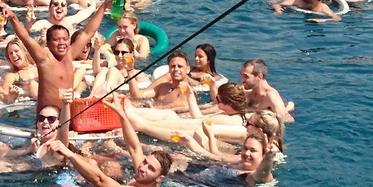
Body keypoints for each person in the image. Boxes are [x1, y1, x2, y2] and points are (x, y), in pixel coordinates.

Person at [3, 0, 113, 116]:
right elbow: (25, 38)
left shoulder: (70, 54)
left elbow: (87, 32)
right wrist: (13, 18)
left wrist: (104, 6)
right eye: (56, 40)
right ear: (48, 43)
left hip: (67, 114)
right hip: (47, 119)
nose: (62, 43)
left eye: (65, 39)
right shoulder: (44, 58)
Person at [40, 99, 171, 187]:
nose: (143, 168)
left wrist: (69, 153)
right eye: (145, 162)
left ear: (160, 178)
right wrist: (122, 114)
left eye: (151, 169)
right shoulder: (144, 176)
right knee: (93, 162)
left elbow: (99, 180)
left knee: (91, 166)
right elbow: (135, 148)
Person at [121, 82, 249, 143]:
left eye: (218, 99)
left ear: (227, 104)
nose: (216, 101)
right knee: (170, 115)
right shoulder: (237, 116)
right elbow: (198, 118)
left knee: (169, 115)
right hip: (193, 131)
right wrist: (190, 96)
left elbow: (192, 122)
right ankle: (130, 112)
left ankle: (129, 114)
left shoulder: (226, 119)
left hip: (187, 134)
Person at [129, 50, 198, 114]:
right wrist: (130, 71)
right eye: (173, 66)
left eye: (180, 66)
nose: (176, 69)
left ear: (188, 69)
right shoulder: (163, 87)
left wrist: (149, 107)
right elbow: (137, 96)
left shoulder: (188, 92)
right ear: (169, 69)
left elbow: (172, 107)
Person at [240, 59, 293, 124]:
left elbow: (287, 120)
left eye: (246, 76)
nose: (242, 80)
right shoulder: (245, 90)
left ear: (260, 76)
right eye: (241, 75)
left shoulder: (270, 96)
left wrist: (254, 117)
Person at [30, 0, 96, 36]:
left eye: (63, 5)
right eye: (56, 4)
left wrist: (93, 2)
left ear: (66, 11)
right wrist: (29, 23)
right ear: (49, 9)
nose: (59, 7)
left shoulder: (70, 20)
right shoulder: (44, 24)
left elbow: (88, 11)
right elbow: (29, 32)